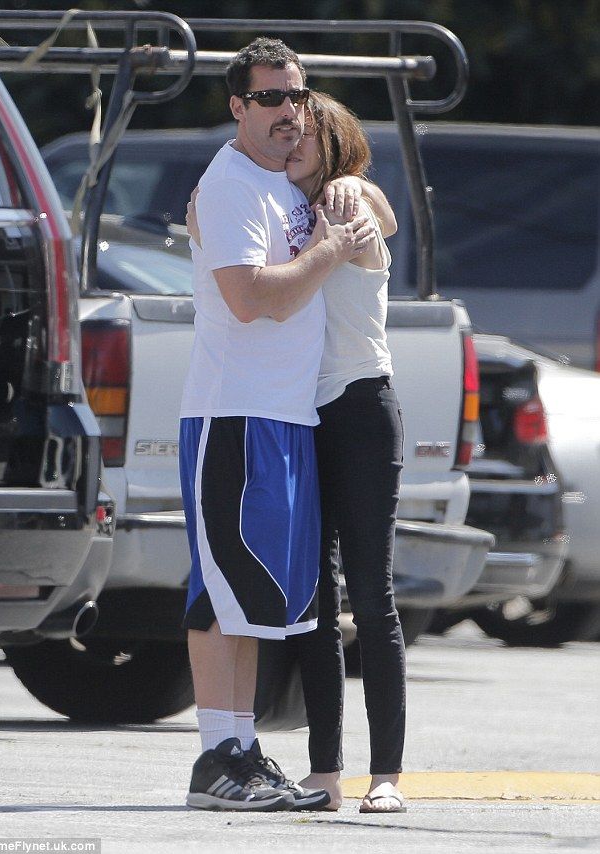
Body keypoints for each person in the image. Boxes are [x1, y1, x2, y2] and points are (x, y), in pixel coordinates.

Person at [178, 39, 375, 812]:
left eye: (296, 96)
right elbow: (254, 297)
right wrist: (330, 248)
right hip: (234, 412)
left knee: (255, 597)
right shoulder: (229, 186)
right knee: (220, 589)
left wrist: (353, 199)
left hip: (287, 416)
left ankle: (242, 750)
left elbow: (376, 208)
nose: (287, 111)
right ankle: (212, 759)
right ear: (237, 107)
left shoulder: (292, 184)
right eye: (269, 99)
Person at [284, 91, 407, 815]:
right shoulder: (281, 203)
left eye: (303, 132)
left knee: (372, 593)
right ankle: (324, 770)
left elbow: (377, 213)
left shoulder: (348, 197)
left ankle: (386, 772)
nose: (289, 138)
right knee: (313, 603)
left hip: (360, 407)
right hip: (299, 416)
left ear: (332, 142)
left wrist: (356, 184)